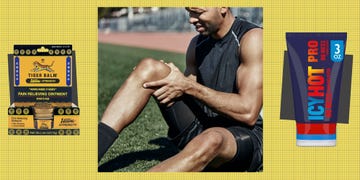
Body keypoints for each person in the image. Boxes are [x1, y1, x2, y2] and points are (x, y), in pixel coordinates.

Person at [98, 7, 263, 172]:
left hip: (241, 137)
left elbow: (248, 113)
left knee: (212, 138)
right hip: (203, 125)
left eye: (198, 12)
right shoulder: (197, 43)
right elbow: (188, 90)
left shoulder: (252, 38)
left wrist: (187, 85)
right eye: (189, 13)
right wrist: (171, 81)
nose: (191, 19)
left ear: (222, 7)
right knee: (149, 68)